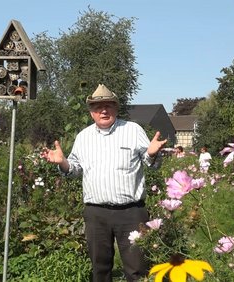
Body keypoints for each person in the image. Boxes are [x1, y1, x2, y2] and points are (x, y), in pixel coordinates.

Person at [41, 84, 167, 282]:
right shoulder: (83, 137)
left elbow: (151, 164)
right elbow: (74, 169)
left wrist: (152, 154)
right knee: (100, 270)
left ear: (116, 108)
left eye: (109, 105)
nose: (104, 110)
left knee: (137, 270)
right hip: (96, 213)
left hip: (131, 213)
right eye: (98, 107)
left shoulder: (133, 130)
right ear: (91, 112)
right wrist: (63, 163)